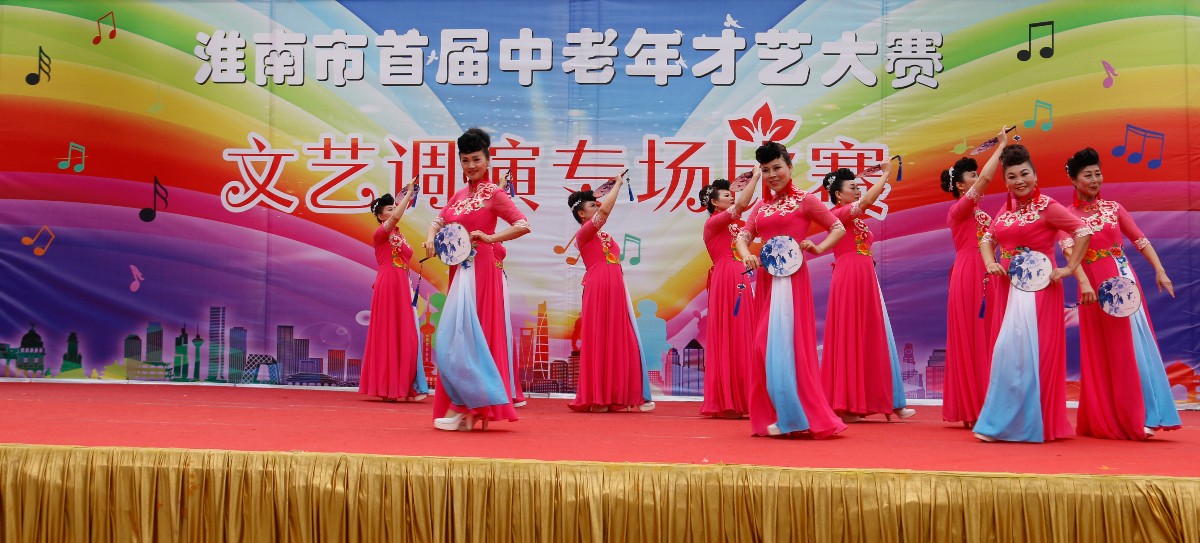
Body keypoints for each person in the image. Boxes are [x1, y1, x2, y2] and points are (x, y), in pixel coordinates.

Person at [974, 144, 1092, 443]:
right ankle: (1001, 422)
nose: (1019, 181)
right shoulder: (1006, 209)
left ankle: (1028, 423)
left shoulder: (1048, 206)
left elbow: (1082, 231)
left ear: (1035, 176)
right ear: (1006, 181)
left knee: (1029, 353)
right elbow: (987, 239)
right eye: (1012, 176)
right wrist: (990, 263)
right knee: (1006, 352)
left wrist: (1070, 268)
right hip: (1007, 288)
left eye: (1024, 174)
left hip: (1039, 291)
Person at [1061, 147, 1181, 440]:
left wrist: (1160, 270)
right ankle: (1116, 415)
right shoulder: (1066, 216)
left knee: (1135, 344)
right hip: (1092, 287)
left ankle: (1146, 414)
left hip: (1124, 281)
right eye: (1087, 175)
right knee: (1108, 350)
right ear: (1074, 181)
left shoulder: (1114, 208)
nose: (1095, 180)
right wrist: (1084, 283)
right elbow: (1069, 255)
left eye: (1097, 174)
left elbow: (1140, 240)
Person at [734, 142, 847, 438]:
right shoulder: (761, 206)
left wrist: (818, 247)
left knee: (787, 346)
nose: (772, 175)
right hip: (768, 281)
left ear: (790, 167)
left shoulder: (805, 200)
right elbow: (742, 236)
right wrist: (746, 254)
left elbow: (838, 227)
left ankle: (793, 417)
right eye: (766, 170)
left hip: (793, 281)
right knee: (764, 346)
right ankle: (781, 414)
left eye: (777, 168)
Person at [423, 128, 531, 431]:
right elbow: (437, 221)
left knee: (472, 336)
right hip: (459, 270)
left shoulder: (495, 194)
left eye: (476, 159)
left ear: (487, 160)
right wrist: (431, 239)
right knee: (454, 337)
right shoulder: (458, 195)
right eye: (465, 160)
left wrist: (491, 237)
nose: (471, 165)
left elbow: (523, 224)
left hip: (482, 270)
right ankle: (467, 407)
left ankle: (468, 408)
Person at [818, 161, 915, 423]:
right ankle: (848, 403)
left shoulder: (855, 220)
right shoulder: (837, 216)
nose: (857, 190)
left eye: (857, 186)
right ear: (838, 195)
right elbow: (868, 201)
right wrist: (886, 175)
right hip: (849, 276)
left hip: (865, 276)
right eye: (852, 187)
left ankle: (887, 401)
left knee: (873, 336)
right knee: (851, 335)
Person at [567, 173, 655, 412]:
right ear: (582, 214)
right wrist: (617, 185)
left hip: (615, 287)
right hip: (598, 287)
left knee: (621, 338)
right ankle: (598, 397)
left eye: (597, 204)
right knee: (600, 339)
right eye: (592, 206)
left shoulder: (604, 236)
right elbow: (605, 213)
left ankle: (618, 394)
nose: (598, 207)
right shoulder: (584, 234)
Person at [941, 127, 1010, 428]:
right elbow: (985, 181)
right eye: (971, 175)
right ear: (960, 185)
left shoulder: (981, 213)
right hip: (969, 272)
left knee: (988, 335)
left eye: (975, 174)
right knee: (973, 335)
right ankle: (973, 407)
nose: (977, 177)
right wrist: (1001, 147)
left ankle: (989, 402)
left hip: (989, 270)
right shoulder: (959, 210)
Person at [697, 168, 761, 418]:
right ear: (714, 202)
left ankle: (745, 397)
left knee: (744, 334)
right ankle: (728, 400)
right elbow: (743, 205)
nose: (731, 197)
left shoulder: (736, 225)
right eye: (726, 195)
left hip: (740, 275)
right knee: (730, 335)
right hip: (726, 278)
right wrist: (755, 177)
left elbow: (753, 218)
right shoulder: (713, 223)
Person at [359, 179, 429, 402]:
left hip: (402, 283)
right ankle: (389, 387)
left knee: (406, 334)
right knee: (390, 333)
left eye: (393, 208)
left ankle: (404, 386)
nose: (394, 211)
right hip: (389, 283)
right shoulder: (381, 233)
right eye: (389, 209)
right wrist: (408, 194)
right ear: (380, 216)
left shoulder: (399, 234)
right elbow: (397, 216)